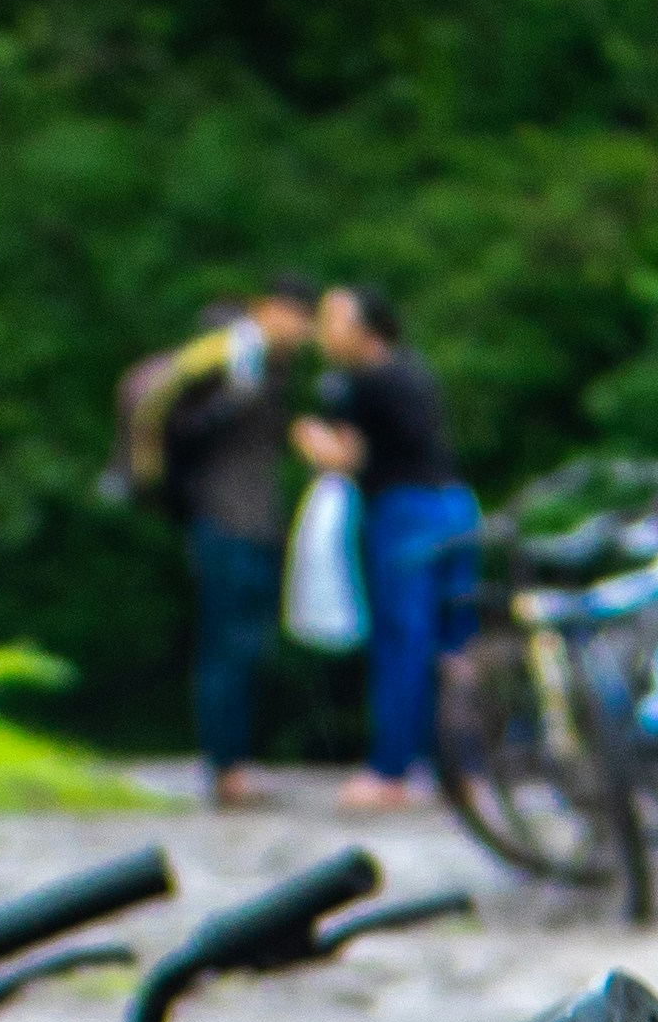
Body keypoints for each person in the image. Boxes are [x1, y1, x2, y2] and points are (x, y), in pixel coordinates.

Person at [293, 284, 482, 807]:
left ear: (365, 329)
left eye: (333, 320)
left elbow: (345, 459)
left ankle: (391, 771)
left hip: (404, 513)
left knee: (403, 643)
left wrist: (309, 441)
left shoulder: (359, 383)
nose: (321, 333)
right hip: (458, 506)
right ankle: (463, 768)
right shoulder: (414, 371)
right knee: (456, 647)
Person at [125, 283, 314, 802]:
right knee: (228, 644)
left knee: (247, 644)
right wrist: (229, 408)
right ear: (269, 311)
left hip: (255, 519)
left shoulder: (274, 366)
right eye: (299, 317)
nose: (305, 331)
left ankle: (234, 763)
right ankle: (224, 768)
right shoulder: (224, 360)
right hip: (224, 519)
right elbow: (179, 432)